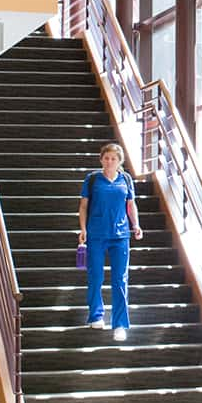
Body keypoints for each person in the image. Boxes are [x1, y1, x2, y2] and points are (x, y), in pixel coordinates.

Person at [77, 142, 143, 342]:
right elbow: (83, 206)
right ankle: (96, 315)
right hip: (96, 234)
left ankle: (120, 324)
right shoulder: (92, 179)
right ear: (101, 159)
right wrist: (83, 229)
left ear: (119, 161)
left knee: (120, 280)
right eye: (106, 158)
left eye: (113, 158)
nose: (109, 161)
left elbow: (131, 205)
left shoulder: (126, 179)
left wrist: (136, 225)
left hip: (121, 236)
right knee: (95, 276)